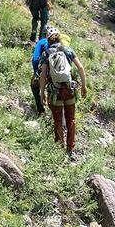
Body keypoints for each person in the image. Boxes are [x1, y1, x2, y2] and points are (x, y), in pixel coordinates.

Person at [37, 31, 87, 159]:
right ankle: (70, 148)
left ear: (49, 41)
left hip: (55, 91)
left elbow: (43, 75)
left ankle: (59, 147)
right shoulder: (68, 50)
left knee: (58, 120)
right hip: (69, 90)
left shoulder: (46, 53)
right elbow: (80, 68)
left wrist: (42, 93)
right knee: (71, 119)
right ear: (60, 39)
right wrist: (84, 86)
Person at [29, 25, 57, 115]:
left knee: (34, 84)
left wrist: (36, 72)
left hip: (44, 71)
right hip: (59, 73)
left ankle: (41, 110)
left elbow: (35, 59)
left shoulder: (42, 42)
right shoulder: (61, 46)